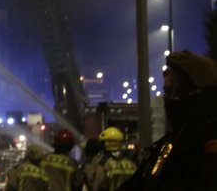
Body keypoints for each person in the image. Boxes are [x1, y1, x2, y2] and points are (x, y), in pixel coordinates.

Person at [118, 51, 217, 190]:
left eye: (180, 92)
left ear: (205, 96)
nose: (172, 100)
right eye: (168, 92)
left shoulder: (209, 151)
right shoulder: (165, 151)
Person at [83, 127, 135, 191]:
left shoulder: (103, 164)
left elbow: (96, 187)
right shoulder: (132, 165)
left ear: (106, 144)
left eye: (102, 143)